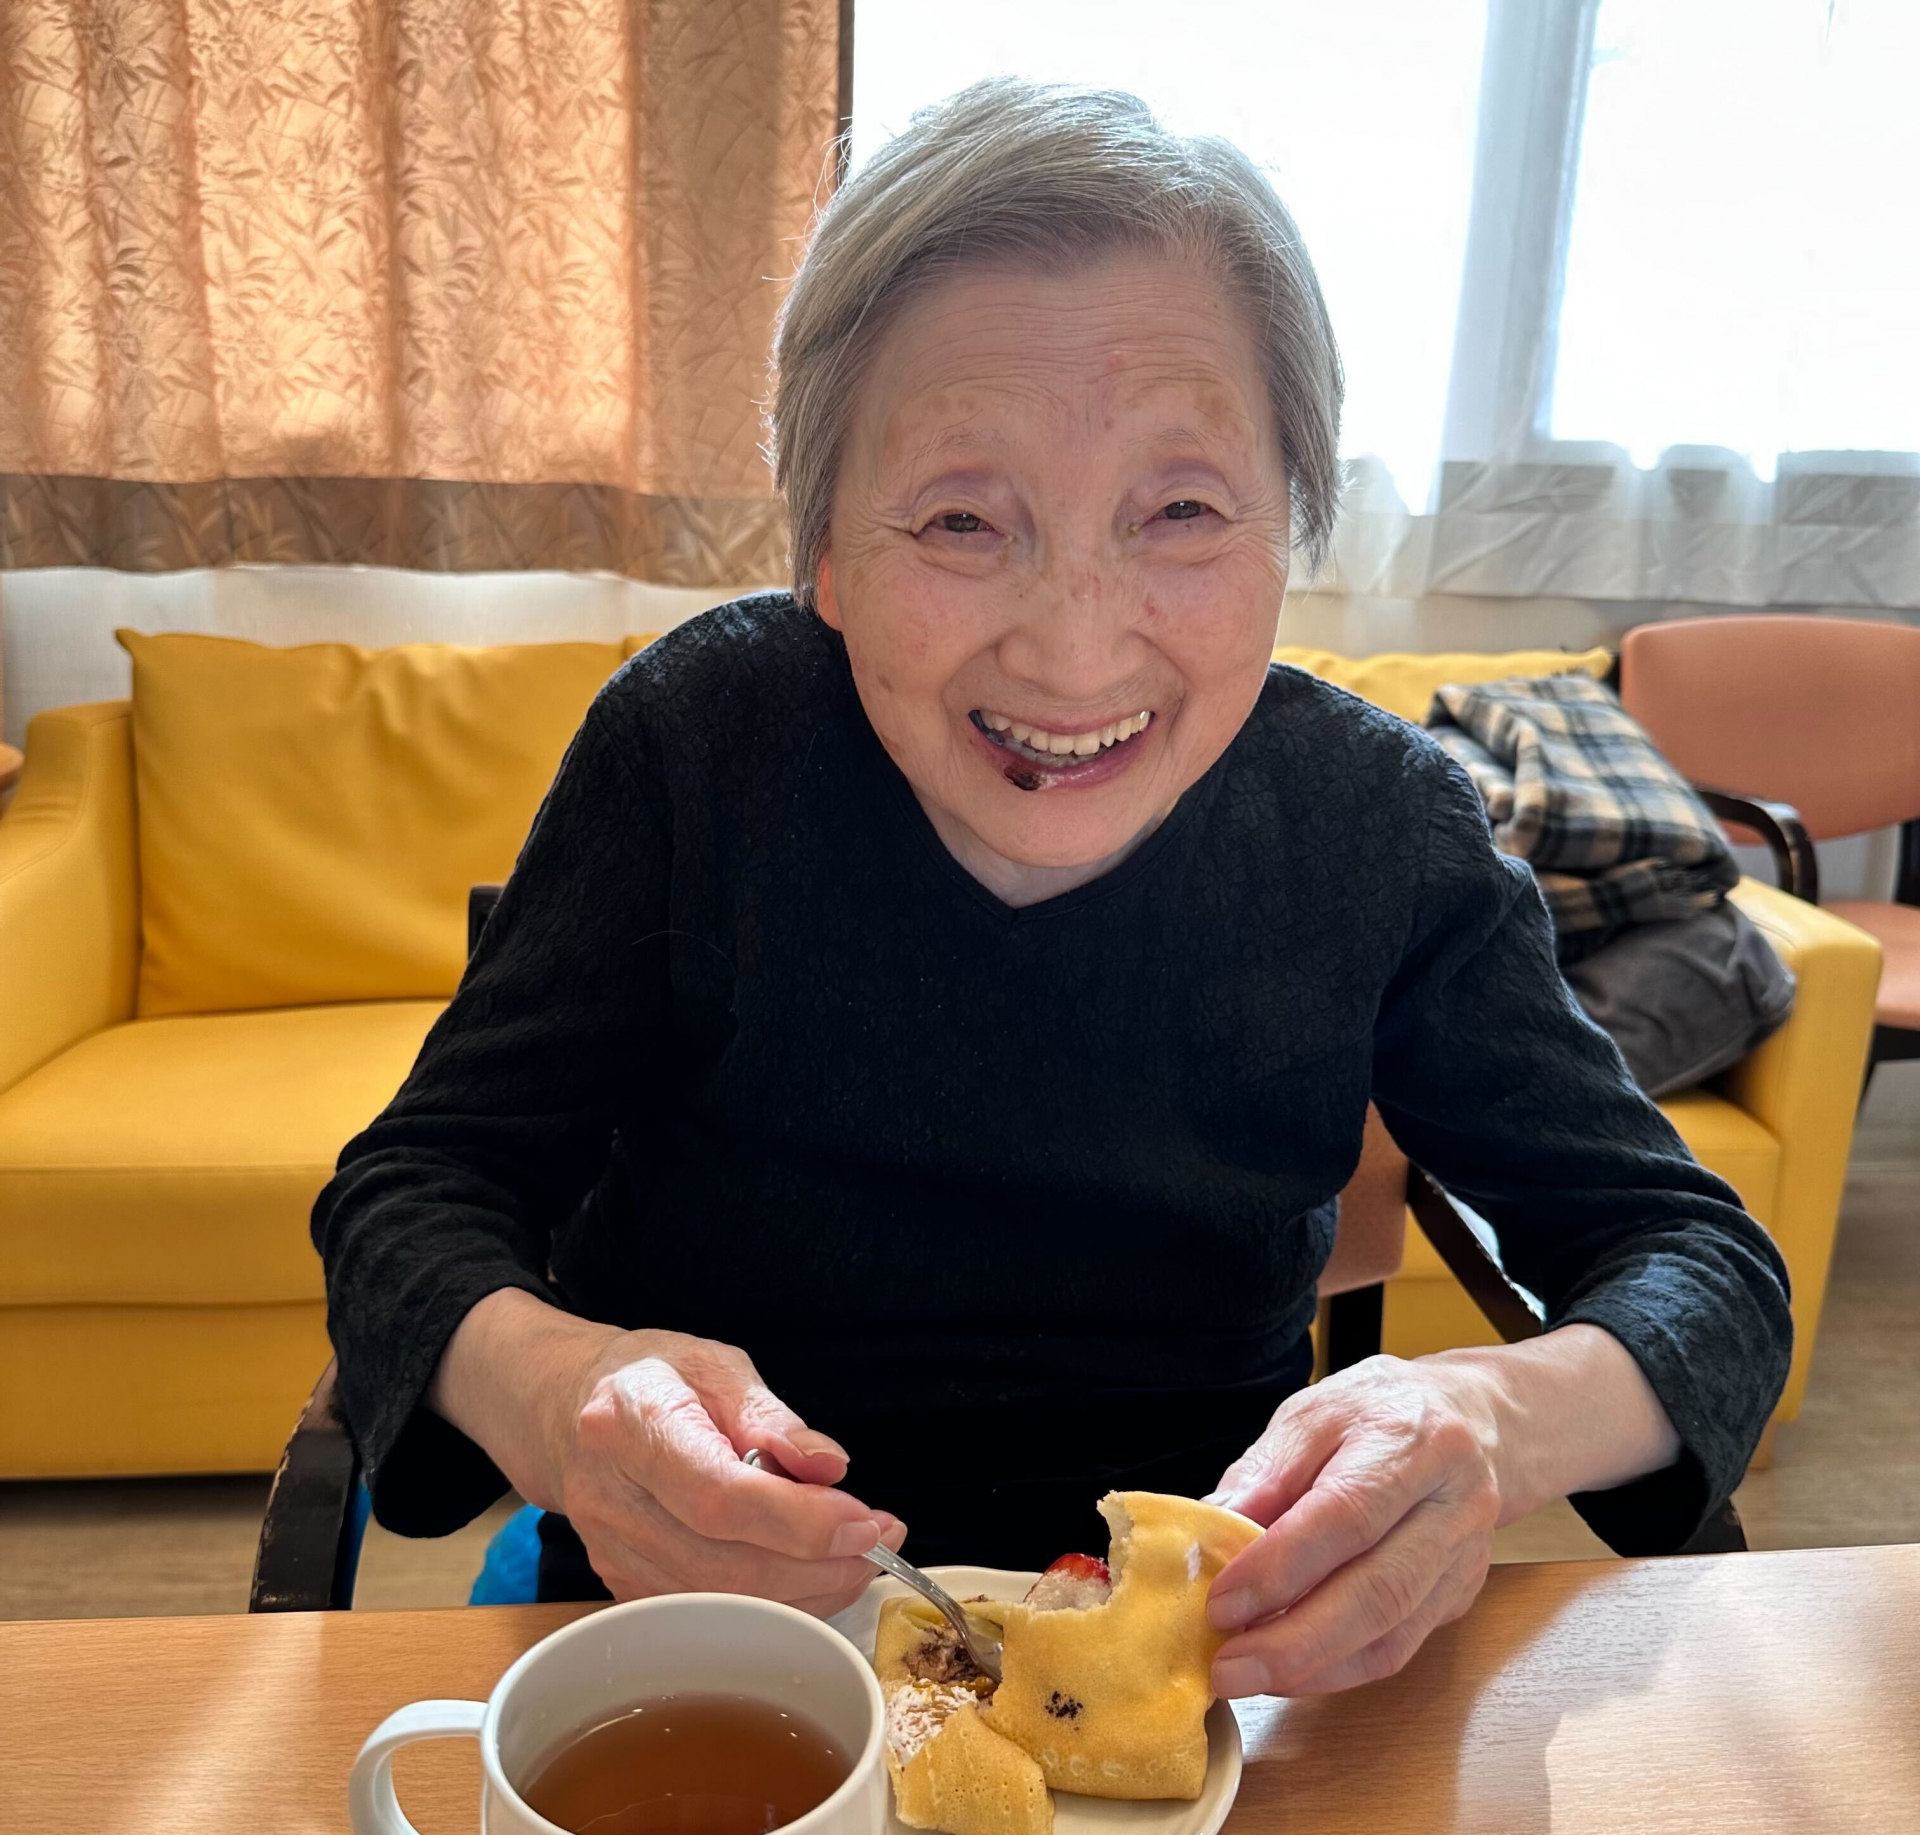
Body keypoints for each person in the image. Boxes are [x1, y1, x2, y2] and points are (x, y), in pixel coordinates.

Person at [315, 77, 1789, 1701]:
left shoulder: (1375, 825)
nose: (1078, 650)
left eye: (1182, 511)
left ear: (1291, 532)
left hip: (1195, 1678)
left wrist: (1487, 1422)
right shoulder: (695, 749)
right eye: (962, 519)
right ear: (825, 552)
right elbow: (411, 1192)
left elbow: (1700, 1263)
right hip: (704, 1649)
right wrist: (562, 1399)